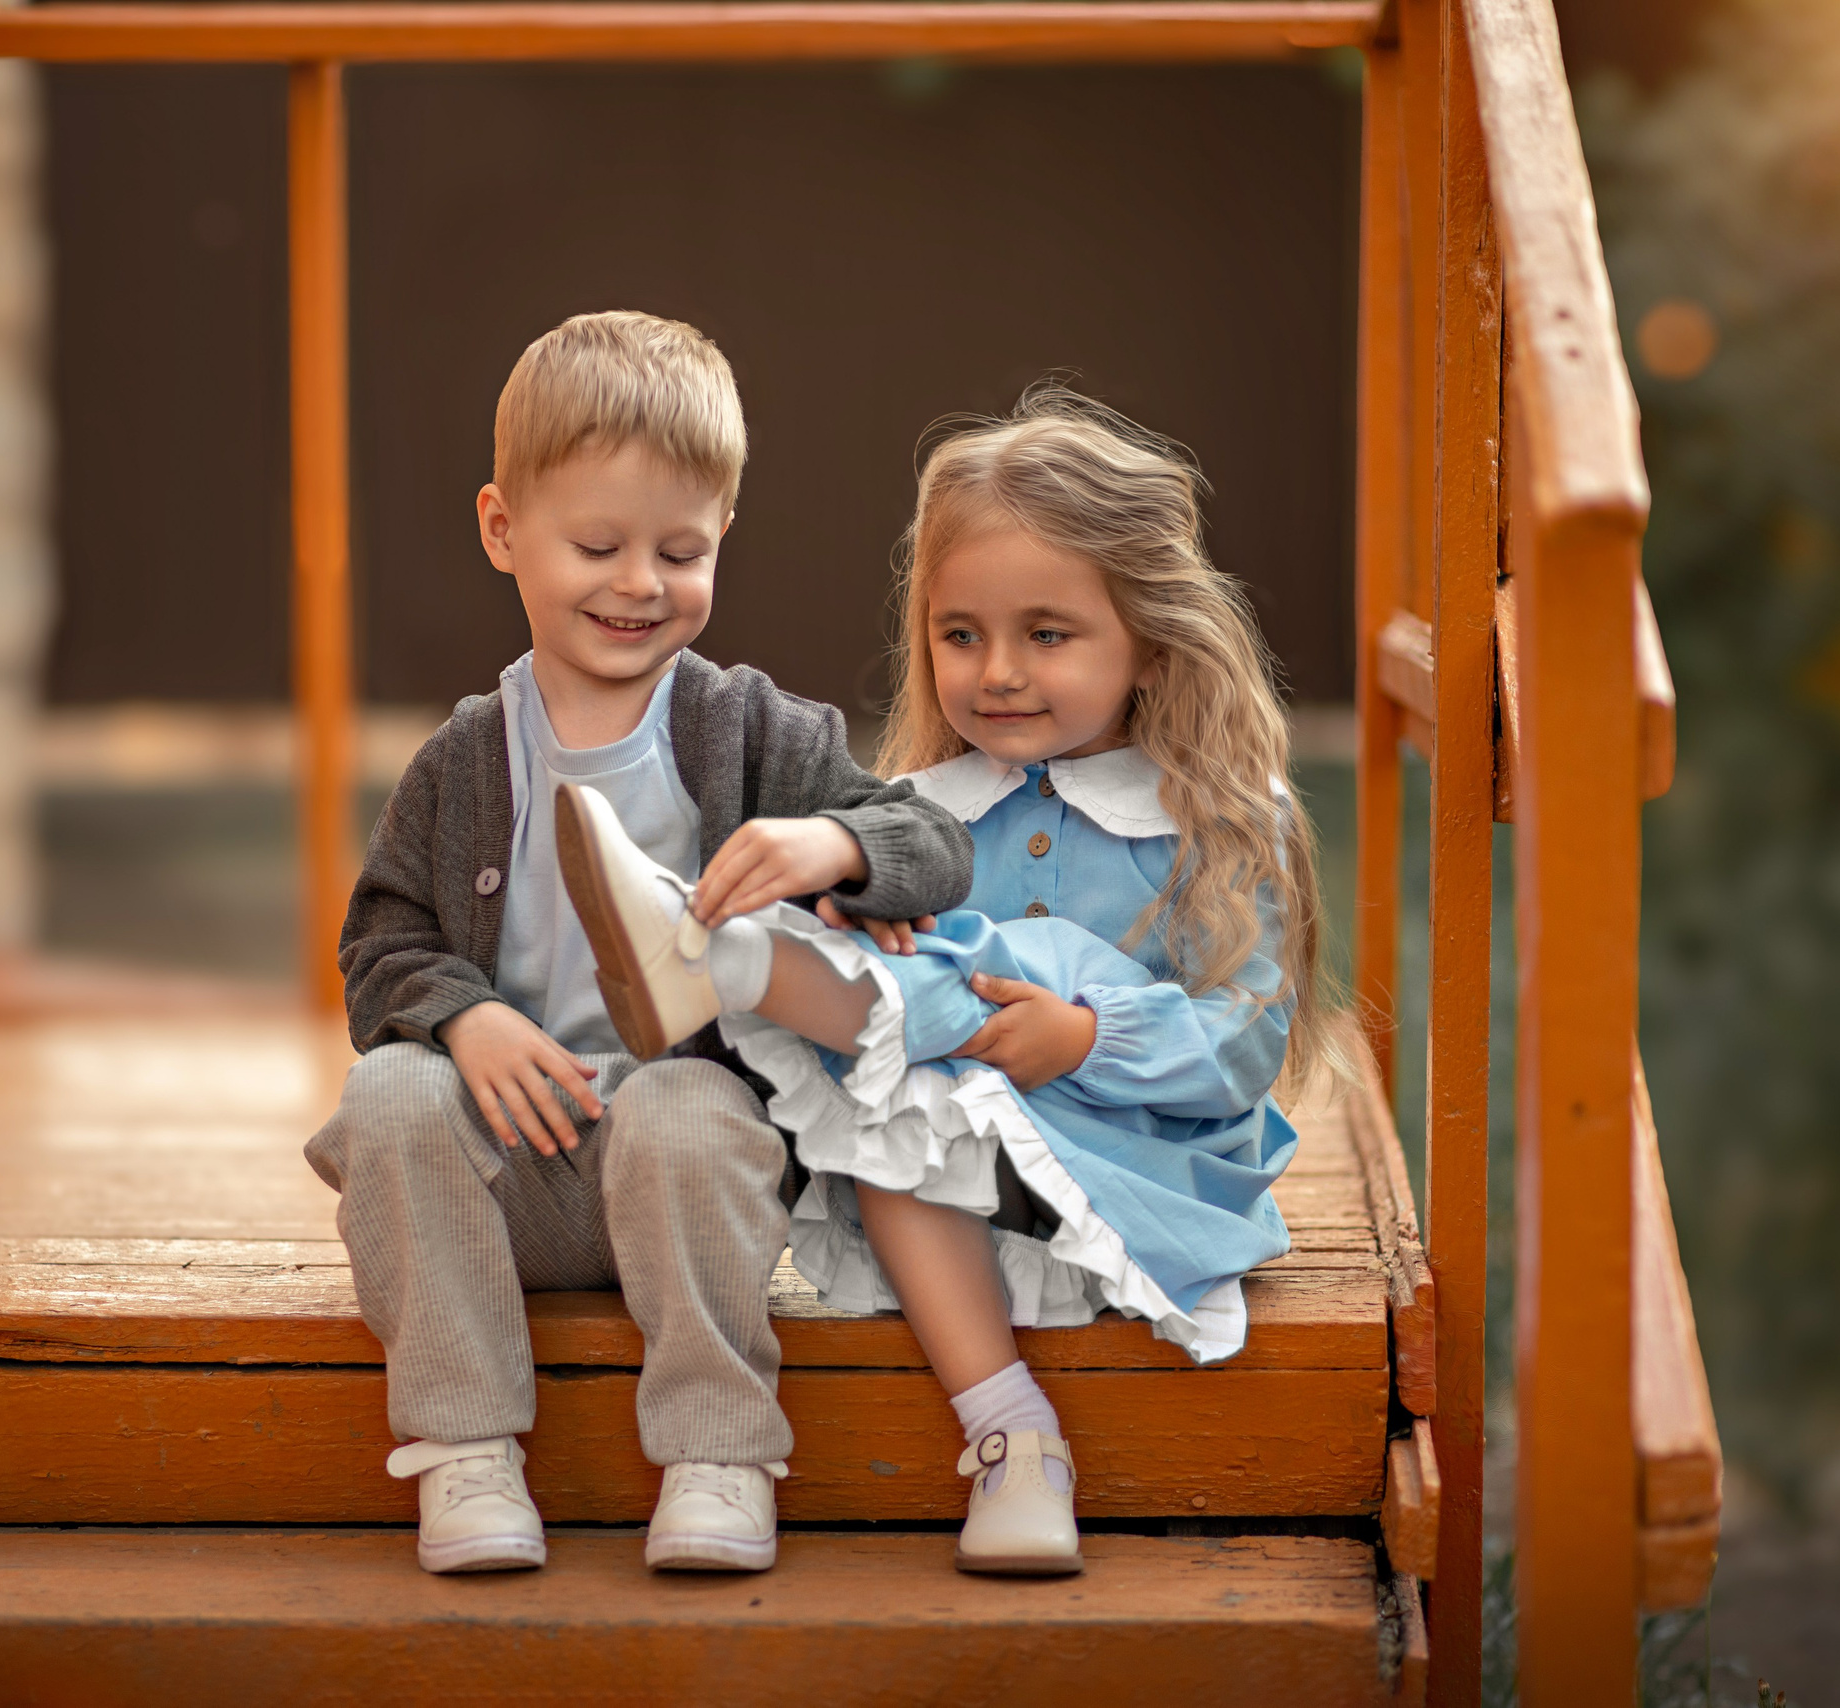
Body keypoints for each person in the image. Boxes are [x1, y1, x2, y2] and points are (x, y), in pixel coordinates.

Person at [554, 383, 1332, 1577]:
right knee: (895, 1104)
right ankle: (1011, 1436)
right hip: (958, 1193)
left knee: (990, 988)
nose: (997, 673)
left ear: (1150, 636)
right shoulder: (928, 809)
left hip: (1140, 1164)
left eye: (1048, 634)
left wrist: (1084, 1039)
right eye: (959, 633)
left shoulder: (1217, 820)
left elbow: (1241, 1047)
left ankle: (719, 960)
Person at [304, 311, 974, 1578]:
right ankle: (464, 1452)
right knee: (389, 1090)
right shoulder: (465, 759)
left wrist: (833, 848)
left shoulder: (746, 726)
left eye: (680, 549)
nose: (637, 584)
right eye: (597, 545)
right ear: (503, 529)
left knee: (682, 1095)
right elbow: (380, 939)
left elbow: (932, 841)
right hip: (523, 1176)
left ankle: (719, 1455)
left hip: (688, 1176)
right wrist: (464, 1016)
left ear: (724, 534)